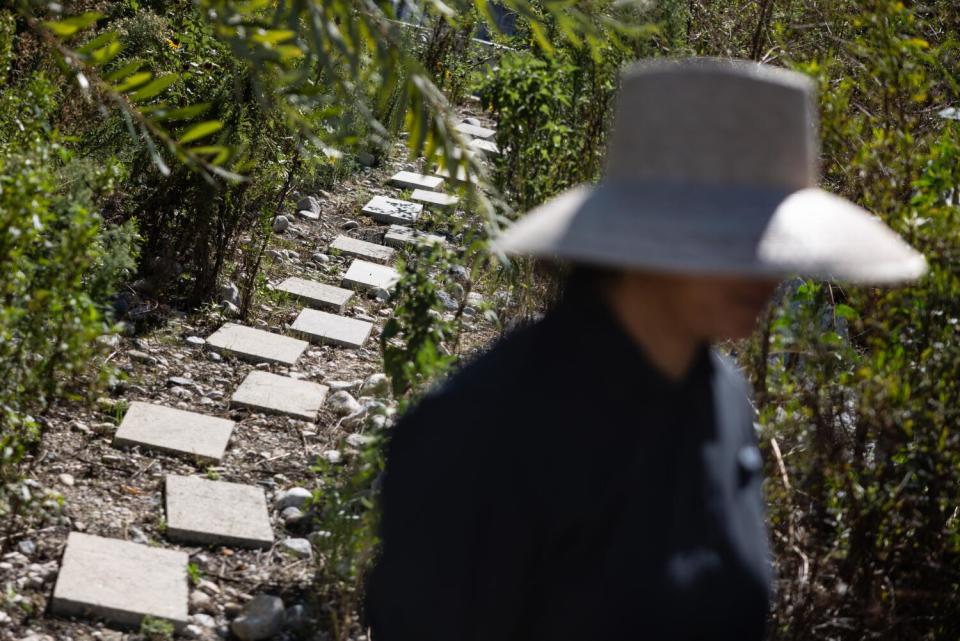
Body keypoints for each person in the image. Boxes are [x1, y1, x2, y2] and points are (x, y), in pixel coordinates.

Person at [363, 58, 925, 640]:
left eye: (773, 235)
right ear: (637, 235)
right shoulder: (481, 432)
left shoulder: (724, 397)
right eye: (733, 236)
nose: (768, 267)